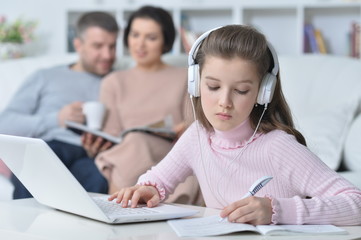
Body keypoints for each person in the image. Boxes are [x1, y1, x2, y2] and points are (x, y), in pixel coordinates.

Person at [109, 25, 361, 226]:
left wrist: (277, 210)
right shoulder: (197, 135)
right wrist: (146, 189)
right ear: (195, 84)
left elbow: (356, 204)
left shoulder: (279, 147)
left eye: (241, 90)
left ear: (263, 93)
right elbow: (158, 180)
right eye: (213, 87)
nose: (224, 102)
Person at [83, 6, 203, 205]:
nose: (140, 44)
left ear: (165, 41)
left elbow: (192, 124)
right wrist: (94, 143)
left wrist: (182, 128)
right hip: (127, 151)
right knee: (133, 142)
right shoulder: (113, 81)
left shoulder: (185, 77)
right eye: (135, 34)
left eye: (151, 37)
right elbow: (111, 134)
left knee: (136, 142)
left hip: (169, 150)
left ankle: (116, 206)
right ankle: (121, 204)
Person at [0, 11, 119, 199]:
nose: (107, 55)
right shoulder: (45, 77)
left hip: (92, 156)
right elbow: (5, 123)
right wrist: (56, 119)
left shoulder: (119, 82)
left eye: (112, 46)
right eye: (98, 46)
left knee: (97, 179)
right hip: (51, 147)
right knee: (36, 164)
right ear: (78, 45)